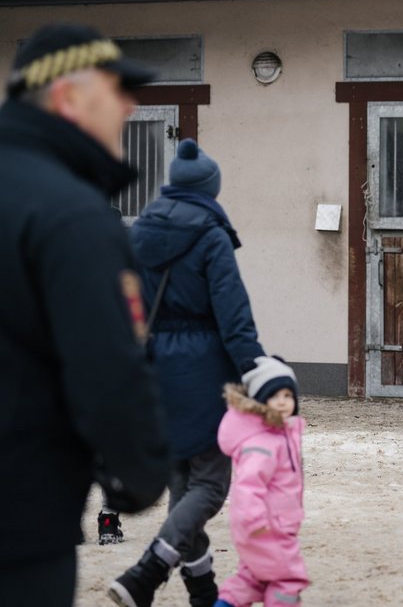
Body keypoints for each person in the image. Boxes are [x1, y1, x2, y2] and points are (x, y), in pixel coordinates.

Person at [0, 23, 169, 605]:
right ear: (68, 98)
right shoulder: (69, 212)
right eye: (116, 89)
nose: (129, 104)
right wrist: (139, 475)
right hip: (20, 529)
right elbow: (108, 369)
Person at [109, 139, 266, 607]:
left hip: (152, 366)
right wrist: (257, 374)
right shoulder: (212, 234)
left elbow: (121, 306)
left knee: (183, 483)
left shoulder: (135, 234)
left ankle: (203, 590)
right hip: (204, 369)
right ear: (209, 189)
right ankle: (146, 572)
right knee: (211, 484)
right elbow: (233, 317)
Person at [214, 356, 310, 607]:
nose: (282, 401)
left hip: (271, 525)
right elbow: (247, 485)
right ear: (259, 401)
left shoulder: (278, 434)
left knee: (252, 578)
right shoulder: (262, 443)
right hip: (266, 526)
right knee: (287, 580)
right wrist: (255, 522)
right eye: (274, 395)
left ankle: (225, 603)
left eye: (288, 395)